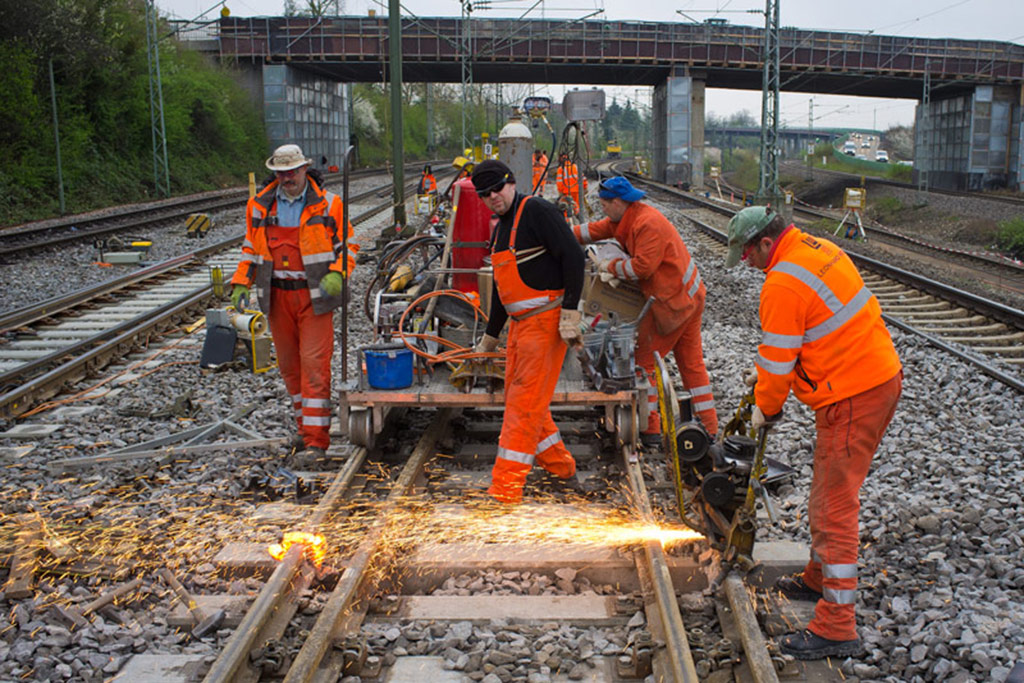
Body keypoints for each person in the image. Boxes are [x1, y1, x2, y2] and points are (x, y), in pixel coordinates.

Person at [725, 205, 902, 660]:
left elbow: (779, 360)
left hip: (853, 394)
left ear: (766, 243)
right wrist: (764, 378)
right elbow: (796, 342)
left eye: (747, 254)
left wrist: (765, 407)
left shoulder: (782, 281)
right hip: (876, 377)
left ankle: (837, 625)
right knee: (829, 494)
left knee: (832, 506)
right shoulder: (819, 248)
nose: (746, 263)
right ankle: (817, 579)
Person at [230, 144, 358, 463]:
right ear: (275, 173)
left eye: (292, 171)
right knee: (290, 368)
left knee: (314, 366)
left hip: (315, 297)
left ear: (304, 170)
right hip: (276, 296)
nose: (287, 177)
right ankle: (305, 430)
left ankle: (317, 442)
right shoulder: (259, 207)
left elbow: (349, 245)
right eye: (281, 172)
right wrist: (240, 282)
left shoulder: (330, 205)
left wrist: (338, 274)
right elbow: (250, 248)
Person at [471, 160, 586, 504]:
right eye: (484, 194)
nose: (493, 197)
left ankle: (505, 491)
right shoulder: (501, 228)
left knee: (522, 407)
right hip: (521, 328)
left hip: (545, 323)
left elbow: (574, 257)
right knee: (524, 402)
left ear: (511, 182)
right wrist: (490, 336)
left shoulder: (536, 210)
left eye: (497, 189)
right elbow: (503, 292)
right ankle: (561, 468)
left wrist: (570, 310)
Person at [572, 176, 717, 445]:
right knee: (692, 365)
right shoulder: (627, 218)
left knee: (644, 363)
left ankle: (651, 429)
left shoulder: (647, 224)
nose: (602, 208)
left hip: (672, 303)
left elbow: (642, 268)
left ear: (617, 202)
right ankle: (709, 428)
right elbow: (592, 230)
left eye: (604, 204)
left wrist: (610, 267)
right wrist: (561, 234)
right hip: (688, 297)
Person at [555, 153, 587, 218]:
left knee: (566, 210)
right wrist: (585, 188)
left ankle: (569, 223)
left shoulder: (561, 169)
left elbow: (559, 183)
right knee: (576, 207)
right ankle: (578, 219)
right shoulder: (575, 167)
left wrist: (560, 192)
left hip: (566, 193)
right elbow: (583, 178)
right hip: (576, 191)